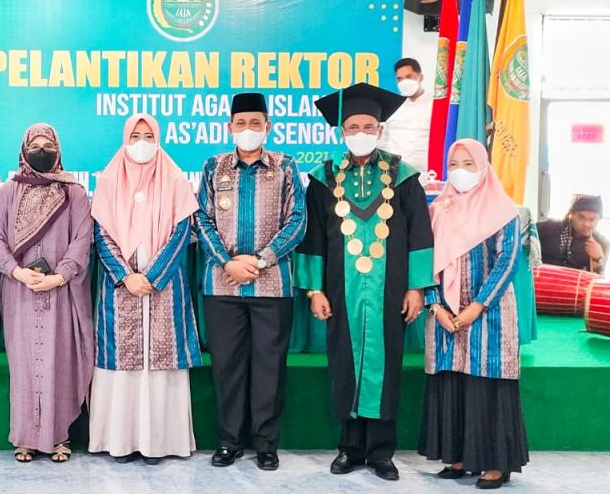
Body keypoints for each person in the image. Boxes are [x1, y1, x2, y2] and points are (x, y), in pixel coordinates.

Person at [294, 82, 436, 481]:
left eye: (368, 126)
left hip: (391, 290)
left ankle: (381, 451)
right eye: (353, 127)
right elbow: (313, 237)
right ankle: (350, 447)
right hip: (341, 290)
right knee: (344, 362)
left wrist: (416, 287)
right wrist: (315, 290)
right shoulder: (323, 178)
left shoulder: (403, 176)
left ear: (380, 129)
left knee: (385, 363)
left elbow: (420, 234)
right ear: (342, 131)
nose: (361, 133)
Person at [194, 92, 307, 471]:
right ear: (230, 127)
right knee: (227, 367)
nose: (248, 130)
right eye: (241, 123)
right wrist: (227, 262)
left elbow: (297, 221)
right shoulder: (214, 167)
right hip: (222, 285)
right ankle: (229, 441)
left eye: (255, 123)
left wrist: (259, 261)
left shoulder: (285, 167)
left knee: (269, 368)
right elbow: (201, 219)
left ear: (267, 126)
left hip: (271, 286)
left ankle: (265, 444)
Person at [88, 114, 201, 464]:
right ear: (125, 138)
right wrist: (126, 276)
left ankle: (159, 443)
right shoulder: (108, 180)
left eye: (148, 136)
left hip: (163, 285)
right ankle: (119, 441)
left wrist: (152, 276)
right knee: (121, 363)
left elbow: (182, 232)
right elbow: (101, 233)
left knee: (161, 364)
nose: (141, 142)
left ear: (158, 139)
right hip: (120, 285)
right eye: (135, 135)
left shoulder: (175, 179)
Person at [420, 139, 529, 490]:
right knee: (453, 380)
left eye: (469, 164)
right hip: (445, 314)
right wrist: (435, 305)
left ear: (483, 167)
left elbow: (507, 261)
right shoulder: (439, 209)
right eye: (454, 164)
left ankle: (496, 463)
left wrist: (477, 306)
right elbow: (425, 261)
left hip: (488, 313)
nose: (460, 171)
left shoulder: (503, 210)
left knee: (486, 382)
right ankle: (459, 456)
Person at [0, 124, 94, 463]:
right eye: (35, 145)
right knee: (23, 365)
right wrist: (16, 271)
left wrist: (59, 277)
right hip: (19, 289)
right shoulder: (8, 192)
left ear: (58, 150)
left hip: (61, 291)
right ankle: (25, 438)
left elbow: (82, 239)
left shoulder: (73, 192)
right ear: (24, 150)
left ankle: (59, 437)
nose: (42, 150)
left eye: (48, 145)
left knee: (59, 361)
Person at [378, 58, 432, 177]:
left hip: (429, 173)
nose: (404, 82)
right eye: (400, 79)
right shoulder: (391, 105)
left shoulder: (435, 105)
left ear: (420, 77)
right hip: (396, 173)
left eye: (409, 77)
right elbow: (382, 140)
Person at [537, 194, 608, 275]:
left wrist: (598, 258)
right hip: (540, 279)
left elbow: (596, 278)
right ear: (571, 215)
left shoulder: (601, 243)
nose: (586, 224)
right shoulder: (548, 228)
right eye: (581, 217)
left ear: (599, 219)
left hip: (575, 282)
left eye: (592, 219)